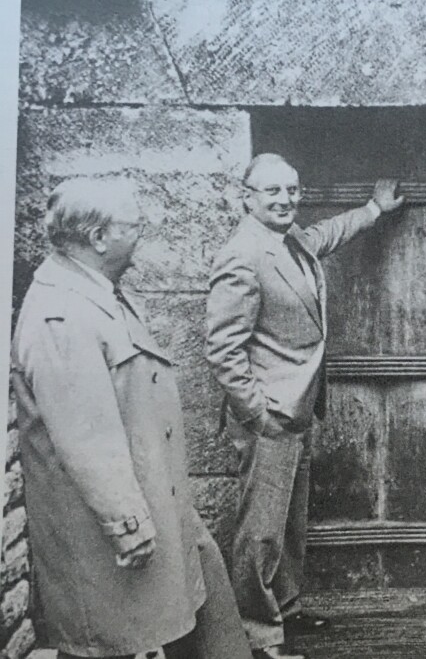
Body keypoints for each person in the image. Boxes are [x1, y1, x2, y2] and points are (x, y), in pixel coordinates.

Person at [9, 177, 252, 659]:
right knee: (106, 642)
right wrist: (128, 525)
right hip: (109, 531)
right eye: (134, 226)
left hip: (155, 503)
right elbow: (86, 440)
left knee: (194, 619)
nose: (142, 234)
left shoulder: (94, 290)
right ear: (99, 238)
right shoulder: (61, 316)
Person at [205, 153, 404, 659]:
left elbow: (325, 236)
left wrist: (373, 210)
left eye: (292, 190)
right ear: (246, 196)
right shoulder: (242, 254)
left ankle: (285, 609)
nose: (285, 200)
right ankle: (258, 634)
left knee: (290, 523)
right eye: (272, 191)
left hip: (296, 407)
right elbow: (223, 349)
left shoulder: (288, 240)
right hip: (270, 414)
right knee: (261, 531)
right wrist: (257, 413)